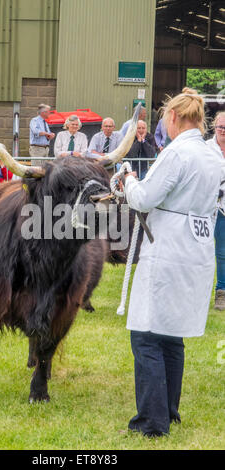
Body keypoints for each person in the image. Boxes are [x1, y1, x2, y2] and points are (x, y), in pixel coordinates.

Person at [123, 88, 223, 437]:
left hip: (168, 249)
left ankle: (151, 422)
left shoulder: (176, 153)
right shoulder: (212, 156)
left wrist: (129, 179)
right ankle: (169, 410)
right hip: (196, 250)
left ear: (173, 118)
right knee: (171, 334)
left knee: (147, 335)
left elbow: (144, 198)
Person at [207, 111, 225, 310]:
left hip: (224, 210)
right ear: (215, 127)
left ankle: (221, 292)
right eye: (221, 127)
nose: (223, 131)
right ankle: (198, 291)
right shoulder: (206, 148)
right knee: (199, 250)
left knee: (222, 253)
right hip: (205, 207)